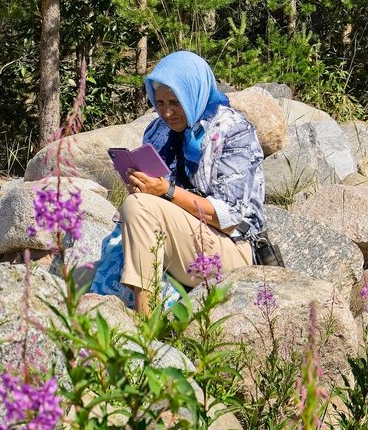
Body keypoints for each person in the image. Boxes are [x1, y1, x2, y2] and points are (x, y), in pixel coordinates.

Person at [112, 50, 265, 314]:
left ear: (193, 94)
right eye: (159, 103)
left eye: (175, 102)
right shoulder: (159, 130)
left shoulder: (233, 132)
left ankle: (144, 321)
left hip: (230, 246)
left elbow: (233, 216)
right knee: (133, 209)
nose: (167, 112)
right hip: (187, 236)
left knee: (138, 207)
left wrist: (165, 191)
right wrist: (143, 187)